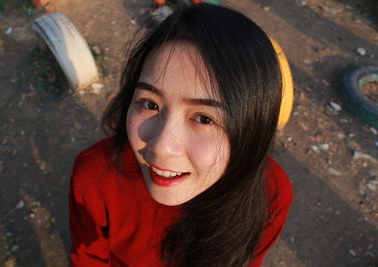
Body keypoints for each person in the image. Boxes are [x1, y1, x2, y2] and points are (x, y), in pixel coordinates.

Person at [69, 3, 294, 267]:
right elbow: (88, 259)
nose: (162, 146)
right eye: (150, 104)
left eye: (204, 118)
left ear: (251, 129)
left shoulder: (272, 194)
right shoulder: (95, 176)